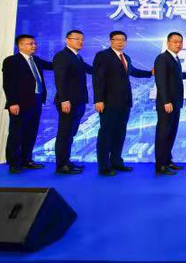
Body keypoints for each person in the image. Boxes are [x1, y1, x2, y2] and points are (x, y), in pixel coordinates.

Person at [92, 31, 152, 176]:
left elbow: (133, 71)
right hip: (108, 102)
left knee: (120, 133)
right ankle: (103, 166)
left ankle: (117, 162)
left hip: (124, 102)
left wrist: (150, 73)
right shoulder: (103, 56)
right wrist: (98, 99)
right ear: (111, 41)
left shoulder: (125, 57)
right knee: (106, 133)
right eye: (117, 39)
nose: (120, 42)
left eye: (123, 40)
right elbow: (98, 78)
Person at [2, 34, 52, 174]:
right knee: (17, 133)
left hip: (37, 100)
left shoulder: (36, 60)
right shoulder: (11, 61)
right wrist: (12, 102)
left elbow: (53, 66)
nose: (34, 46)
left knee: (31, 132)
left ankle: (26, 160)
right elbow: (8, 83)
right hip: (20, 103)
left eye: (34, 43)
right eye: (31, 43)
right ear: (21, 45)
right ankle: (14, 163)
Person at [52, 29, 92, 175]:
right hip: (68, 102)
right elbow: (60, 79)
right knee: (64, 133)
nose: (80, 41)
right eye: (77, 39)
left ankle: (66, 161)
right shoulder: (62, 56)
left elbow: (91, 70)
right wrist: (64, 100)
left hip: (78, 101)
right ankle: (61, 165)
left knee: (70, 133)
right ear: (67, 40)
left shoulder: (77, 57)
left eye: (82, 39)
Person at [153, 32, 186, 175]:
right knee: (163, 134)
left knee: (171, 132)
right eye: (175, 41)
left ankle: (167, 161)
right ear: (168, 43)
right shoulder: (162, 58)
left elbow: (176, 77)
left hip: (175, 103)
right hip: (167, 104)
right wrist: (166, 101)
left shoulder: (175, 59)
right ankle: (160, 166)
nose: (178, 44)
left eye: (180, 42)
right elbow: (161, 81)